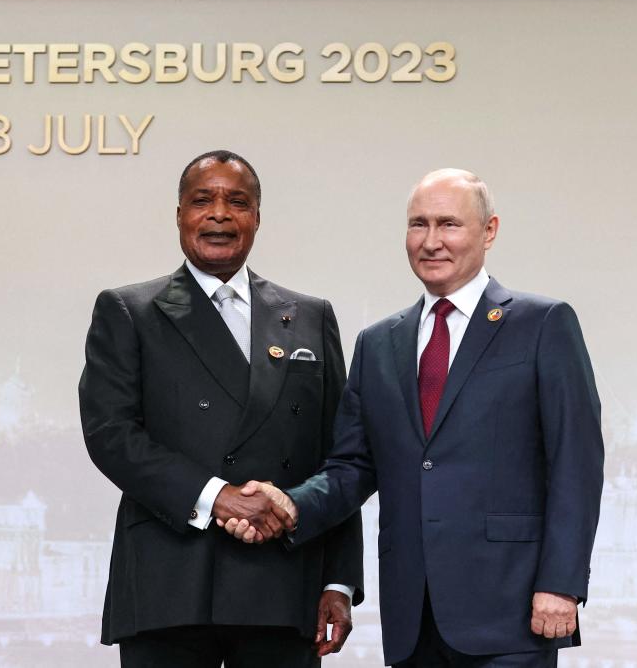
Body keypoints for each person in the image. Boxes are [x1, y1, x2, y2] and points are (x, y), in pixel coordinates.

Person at [223, 169, 603, 667]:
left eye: (448, 224)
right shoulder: (379, 343)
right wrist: (290, 506)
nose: (430, 241)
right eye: (418, 224)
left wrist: (561, 583)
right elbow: (352, 467)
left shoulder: (542, 324)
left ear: (489, 231)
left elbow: (576, 461)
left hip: (511, 611)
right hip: (411, 617)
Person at [79, 150, 363, 667]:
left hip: (283, 579)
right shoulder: (129, 311)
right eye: (202, 200)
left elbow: (339, 457)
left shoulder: (310, 317)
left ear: (257, 217)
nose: (219, 213)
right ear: (180, 214)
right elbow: (111, 435)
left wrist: (339, 581)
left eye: (238, 201)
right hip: (171, 581)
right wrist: (217, 498)